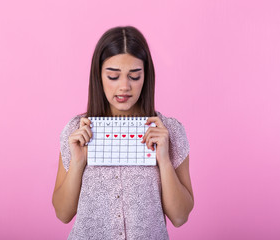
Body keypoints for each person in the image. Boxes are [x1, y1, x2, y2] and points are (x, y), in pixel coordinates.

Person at [52, 25, 194, 240]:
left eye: (134, 76)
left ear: (146, 76)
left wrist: (164, 161)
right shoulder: (76, 131)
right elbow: (63, 214)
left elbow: (180, 217)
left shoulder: (169, 131)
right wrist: (78, 163)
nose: (124, 86)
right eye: (113, 76)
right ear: (98, 76)